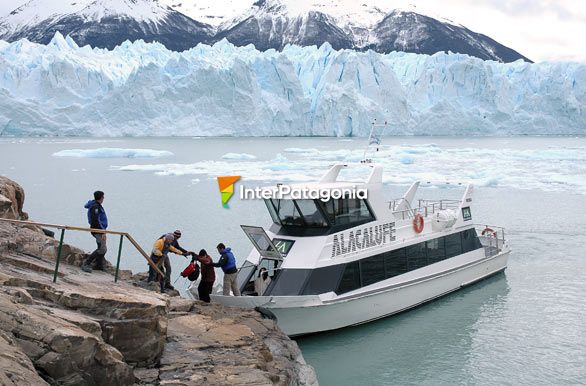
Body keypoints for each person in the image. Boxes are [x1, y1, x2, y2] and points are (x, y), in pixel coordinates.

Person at [82, 191, 108, 273]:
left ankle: (99, 265)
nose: (104, 198)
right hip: (97, 230)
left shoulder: (96, 205)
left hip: (99, 229)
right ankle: (86, 263)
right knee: (102, 249)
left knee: (101, 247)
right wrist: (102, 231)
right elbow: (95, 220)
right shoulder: (95, 207)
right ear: (101, 197)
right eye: (103, 197)